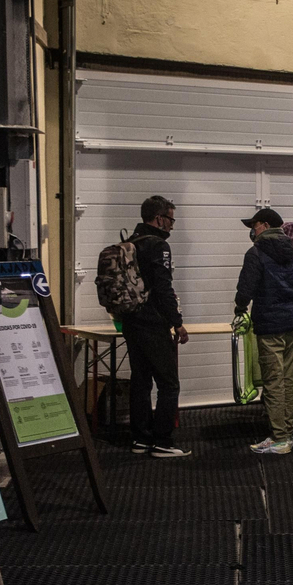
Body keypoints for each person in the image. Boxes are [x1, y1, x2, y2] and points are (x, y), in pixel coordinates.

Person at [123, 195, 191, 457]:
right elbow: (163, 288)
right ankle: (163, 441)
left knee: (140, 380)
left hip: (130, 321)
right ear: (159, 218)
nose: (172, 226)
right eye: (171, 219)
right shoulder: (158, 245)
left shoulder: (130, 242)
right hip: (153, 323)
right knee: (169, 383)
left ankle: (140, 439)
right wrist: (177, 323)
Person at [235, 207, 293, 454]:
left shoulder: (255, 253)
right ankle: (287, 433)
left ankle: (279, 439)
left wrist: (239, 307)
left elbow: (246, 288)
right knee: (288, 378)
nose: (252, 231)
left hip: (270, 324)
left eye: (253, 226)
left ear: (264, 225)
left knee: (273, 380)